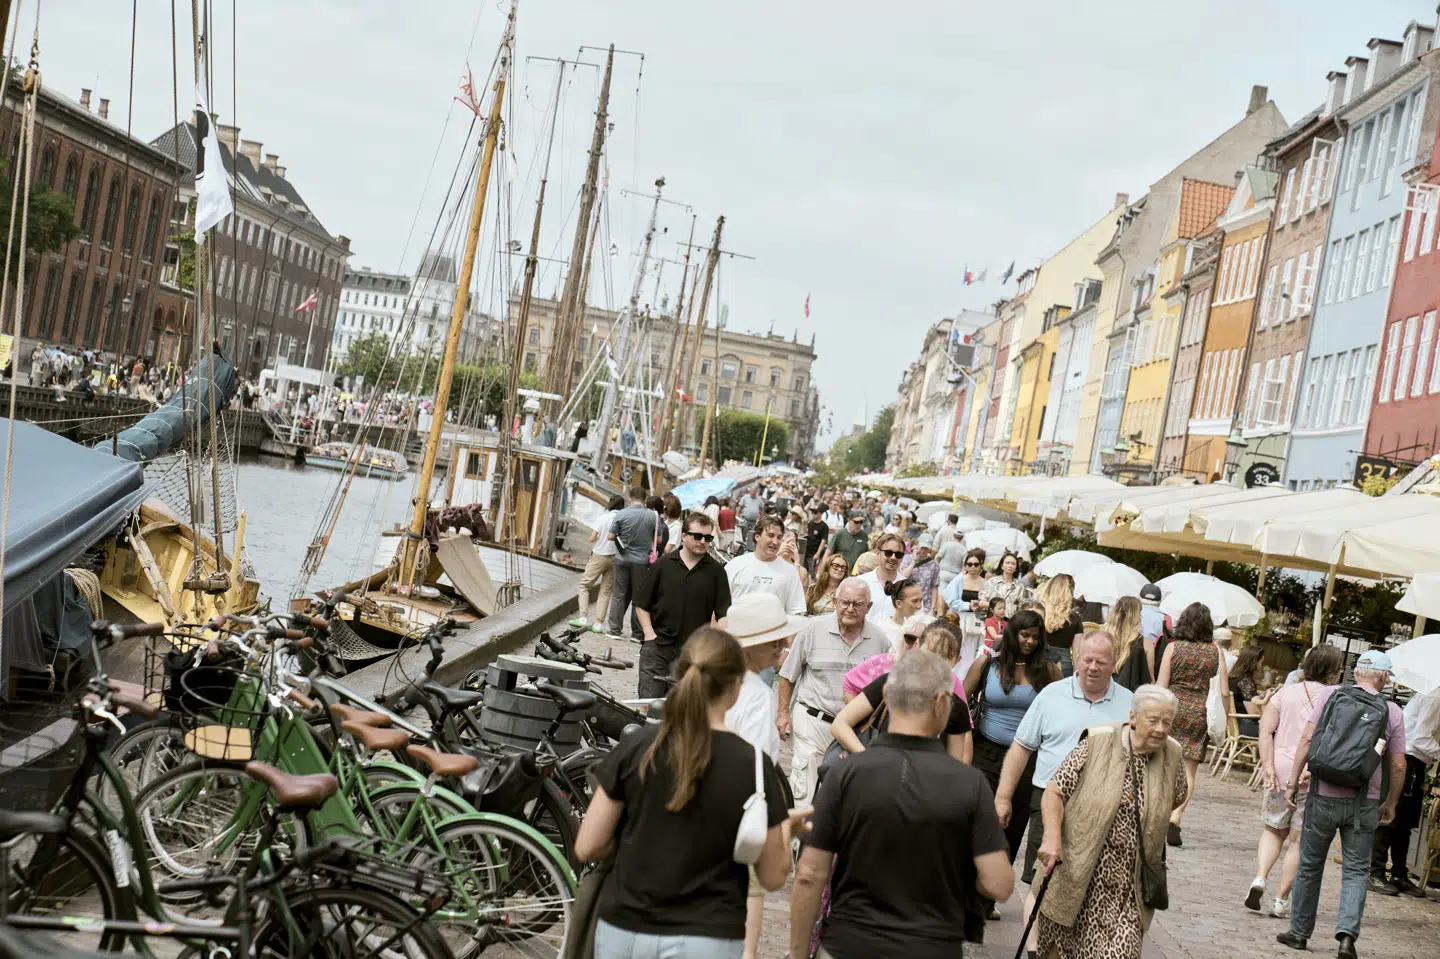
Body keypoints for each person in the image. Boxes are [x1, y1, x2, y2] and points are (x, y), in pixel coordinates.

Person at [574, 628, 806, 959]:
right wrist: (786, 828)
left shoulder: (637, 747)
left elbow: (587, 845)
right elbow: (771, 876)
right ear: (736, 687)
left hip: (624, 927)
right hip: (707, 935)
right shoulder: (753, 766)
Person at [791, 650, 1014, 959]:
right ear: (942, 704)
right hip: (930, 947)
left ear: (886, 694)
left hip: (850, 943)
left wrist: (799, 953)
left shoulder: (845, 774)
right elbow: (998, 884)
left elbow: (808, 875)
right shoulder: (969, 784)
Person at [1033, 685, 1188, 959]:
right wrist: (1052, 837)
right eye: (1153, 721)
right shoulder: (1098, 742)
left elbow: (1177, 795)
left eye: (1167, 722)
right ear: (1133, 717)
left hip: (1128, 887)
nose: (1161, 729)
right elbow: (1055, 792)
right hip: (1076, 872)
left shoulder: (1172, 754)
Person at [1277, 650, 1407, 958]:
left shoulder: (1331, 695)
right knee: (1357, 870)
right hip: (1365, 802)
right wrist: (1391, 802)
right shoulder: (1392, 711)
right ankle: (1347, 938)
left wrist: (1293, 782)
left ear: (1356, 672)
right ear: (1384, 677)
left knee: (1310, 865)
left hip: (1323, 793)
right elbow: (1399, 764)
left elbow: (1307, 741)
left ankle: (1299, 932)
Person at [994, 631, 1133, 889]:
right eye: (1087, 660)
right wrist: (1003, 797)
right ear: (1076, 659)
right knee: (1041, 883)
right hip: (1048, 799)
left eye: (1101, 663)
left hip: (1102, 807)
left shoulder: (1130, 703)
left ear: (1114, 664)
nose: (1092, 668)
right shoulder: (1051, 695)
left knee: (1088, 883)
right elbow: (1021, 748)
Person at [721, 595, 808, 959]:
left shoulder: (720, 681)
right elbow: (752, 762)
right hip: (740, 809)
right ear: (753, 644)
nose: (784, 646)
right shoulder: (756, 693)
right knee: (749, 890)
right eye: (776, 640)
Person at [963, 609, 1060, 899]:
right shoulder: (987, 665)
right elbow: (960, 702)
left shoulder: (1048, 671)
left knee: (1013, 824)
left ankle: (990, 891)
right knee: (984, 818)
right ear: (1012, 634)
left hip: (1026, 758)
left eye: (1035, 637)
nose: (1030, 641)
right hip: (986, 750)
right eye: (1024, 635)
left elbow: (1057, 711)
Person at [1249, 644, 1344, 920]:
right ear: (1333, 672)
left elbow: (1265, 730)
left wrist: (1267, 765)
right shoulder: (1337, 697)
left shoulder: (1285, 692)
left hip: (1280, 767)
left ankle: (1260, 877)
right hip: (1313, 770)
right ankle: (1280, 899)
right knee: (1298, 839)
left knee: (1273, 828)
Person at [776, 579, 891, 806]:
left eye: (857, 604)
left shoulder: (880, 640)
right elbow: (788, 676)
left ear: (868, 607)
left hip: (855, 732)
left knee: (840, 800)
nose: (850, 609)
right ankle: (797, 841)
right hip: (813, 722)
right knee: (804, 795)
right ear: (835, 602)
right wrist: (782, 714)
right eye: (845, 602)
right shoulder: (812, 630)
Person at [832, 619, 973, 764]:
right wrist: (870, 761)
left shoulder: (955, 706)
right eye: (931, 651)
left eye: (946, 656)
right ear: (917, 645)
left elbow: (956, 766)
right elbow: (840, 724)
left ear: (957, 660)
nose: (936, 661)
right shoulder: (889, 682)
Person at [633, 512, 731, 698]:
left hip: (692, 655)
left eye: (708, 538)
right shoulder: (663, 564)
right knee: (647, 704)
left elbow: (723, 613)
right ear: (684, 536)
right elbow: (641, 602)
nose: (703, 541)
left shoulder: (717, 572)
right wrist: (649, 634)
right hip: (657, 648)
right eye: (698, 536)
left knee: (678, 710)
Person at [1156, 601, 1226, 847]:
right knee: (1189, 769)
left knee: (1163, 763)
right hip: (1199, 712)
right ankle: (1175, 818)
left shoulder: (1173, 648)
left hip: (1173, 708)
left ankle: (1158, 813)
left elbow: (1161, 685)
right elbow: (1224, 691)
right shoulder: (1215, 652)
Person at [1373, 686, 1440, 897]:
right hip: (1407, 759)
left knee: (1405, 822)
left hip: (1415, 762)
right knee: (1391, 817)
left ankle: (1399, 874)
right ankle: (1375, 873)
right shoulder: (1436, 696)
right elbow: (1420, 738)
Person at [605, 486, 658, 642]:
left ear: (630, 498)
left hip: (622, 559)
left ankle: (615, 630)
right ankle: (637, 633)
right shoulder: (652, 516)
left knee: (618, 595)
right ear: (645, 499)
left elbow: (610, 535)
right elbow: (659, 539)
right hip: (642, 562)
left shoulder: (621, 514)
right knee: (639, 597)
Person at [724, 514, 807, 615]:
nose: (775, 542)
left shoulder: (790, 571)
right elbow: (720, 608)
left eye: (779, 537)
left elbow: (796, 611)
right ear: (757, 536)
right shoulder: (735, 565)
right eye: (770, 535)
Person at [571, 494, 624, 632]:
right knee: (606, 590)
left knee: (584, 585)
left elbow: (592, 538)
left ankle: (583, 618)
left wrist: (599, 536)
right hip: (615, 557)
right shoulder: (623, 519)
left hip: (599, 554)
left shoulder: (603, 518)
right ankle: (598, 624)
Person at [1109, 595, 1164, 691]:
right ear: (1136, 616)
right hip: (1131, 695)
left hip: (1103, 689)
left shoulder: (1102, 637)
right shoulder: (1145, 643)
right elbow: (1149, 679)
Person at [1038, 573, 1084, 676]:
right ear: (1070, 592)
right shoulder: (1075, 619)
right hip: (1064, 667)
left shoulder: (1040, 613)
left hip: (1040, 663)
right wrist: (1076, 676)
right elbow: (1077, 653)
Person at [856, 532, 905, 621]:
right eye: (888, 553)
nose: (893, 557)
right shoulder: (860, 582)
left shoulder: (908, 587)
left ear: (902, 558)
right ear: (878, 553)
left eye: (898, 554)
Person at [1228, 645, 1274, 738]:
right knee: (1276, 732)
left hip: (1230, 724)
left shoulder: (1234, 676)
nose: (1261, 666)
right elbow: (1254, 712)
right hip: (1244, 725)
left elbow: (1246, 698)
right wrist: (1267, 697)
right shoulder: (1245, 680)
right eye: (1261, 662)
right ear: (1254, 662)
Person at [872, 578, 923, 654]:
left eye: (921, 600)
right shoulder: (882, 631)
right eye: (914, 601)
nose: (919, 606)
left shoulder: (924, 626)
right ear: (899, 603)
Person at [941, 547, 988, 616]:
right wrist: (968, 605)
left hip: (978, 619)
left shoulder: (986, 583)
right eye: (970, 564)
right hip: (959, 617)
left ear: (980, 566)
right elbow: (950, 600)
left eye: (976, 564)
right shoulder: (958, 580)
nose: (973, 566)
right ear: (965, 566)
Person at [978, 551, 1027, 618]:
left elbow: (1022, 607)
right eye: (1007, 563)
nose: (1010, 565)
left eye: (1013, 564)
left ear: (1016, 568)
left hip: (1011, 622)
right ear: (1002, 566)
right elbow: (981, 602)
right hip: (991, 620)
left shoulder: (1020, 586)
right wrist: (996, 606)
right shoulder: (992, 582)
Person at [907, 533, 942, 614]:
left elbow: (934, 587)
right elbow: (902, 577)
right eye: (922, 547)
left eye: (926, 548)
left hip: (926, 603)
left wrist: (932, 608)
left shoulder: (934, 564)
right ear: (918, 545)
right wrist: (914, 561)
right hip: (908, 601)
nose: (923, 551)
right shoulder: (907, 559)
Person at [804, 506, 830, 573]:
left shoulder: (824, 526)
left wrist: (818, 553)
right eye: (812, 512)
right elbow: (807, 534)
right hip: (806, 551)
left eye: (815, 512)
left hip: (814, 553)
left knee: (811, 572)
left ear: (820, 513)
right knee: (804, 570)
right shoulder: (811, 523)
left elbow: (823, 541)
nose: (813, 514)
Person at [737, 487, 763, 552]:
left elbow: (761, 510)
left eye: (754, 491)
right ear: (749, 491)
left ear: (756, 492)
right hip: (745, 520)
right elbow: (739, 508)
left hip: (754, 522)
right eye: (751, 491)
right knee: (744, 535)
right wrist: (737, 518)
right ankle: (742, 548)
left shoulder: (759, 499)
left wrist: (762, 519)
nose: (753, 492)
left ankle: (750, 549)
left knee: (752, 535)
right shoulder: (745, 498)